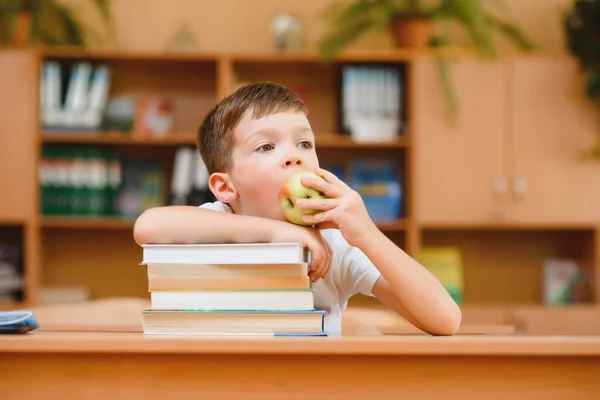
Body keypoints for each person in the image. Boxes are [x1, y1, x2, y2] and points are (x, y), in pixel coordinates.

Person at [133, 81, 461, 336]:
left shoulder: (336, 243)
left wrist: (368, 235)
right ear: (225, 187)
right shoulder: (217, 221)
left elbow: (445, 319)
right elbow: (148, 226)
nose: (295, 156)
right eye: (266, 146)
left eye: (304, 143)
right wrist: (278, 231)